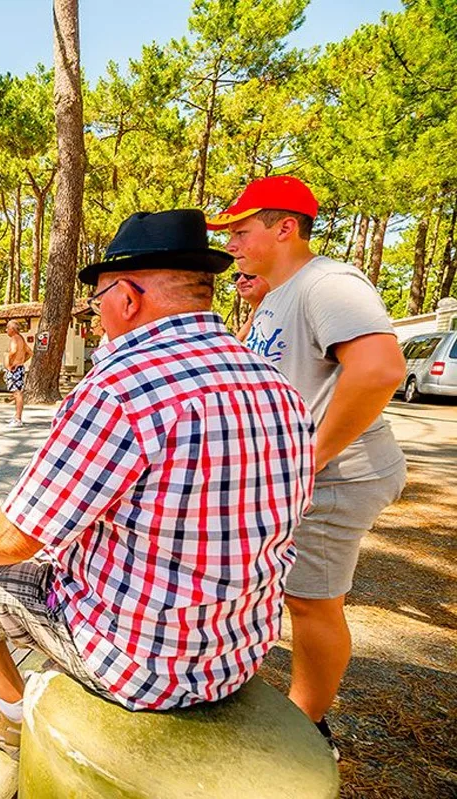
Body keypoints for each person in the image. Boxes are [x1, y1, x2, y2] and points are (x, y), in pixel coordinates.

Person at [0, 209, 314, 755]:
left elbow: (8, 542)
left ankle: (9, 713)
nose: (96, 312)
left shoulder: (121, 386)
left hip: (137, 663)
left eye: (97, 297)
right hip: (237, 653)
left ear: (127, 298)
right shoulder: (275, 383)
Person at [210, 176, 407, 757]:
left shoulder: (330, 282)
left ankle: (307, 726)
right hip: (299, 475)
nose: (234, 246)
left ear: (285, 227)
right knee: (281, 590)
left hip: (339, 475)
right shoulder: (279, 292)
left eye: (242, 232)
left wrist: (311, 456)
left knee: (311, 600)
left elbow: (379, 369)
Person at [4, 321, 31, 428]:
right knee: (16, 393)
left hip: (15, 369)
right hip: (19, 367)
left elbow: (14, 351)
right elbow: (29, 352)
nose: (6, 330)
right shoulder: (21, 338)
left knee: (17, 393)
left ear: (12, 329)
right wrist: (21, 361)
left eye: (7, 328)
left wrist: (8, 359)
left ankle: (18, 419)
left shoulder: (15, 338)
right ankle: (16, 416)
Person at [232, 270, 271, 342]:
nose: (240, 281)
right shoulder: (253, 317)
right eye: (236, 277)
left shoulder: (284, 309)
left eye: (249, 275)